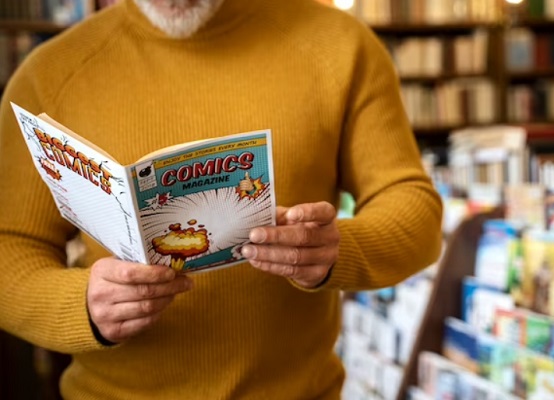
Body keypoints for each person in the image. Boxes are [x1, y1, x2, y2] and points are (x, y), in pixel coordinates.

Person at [0, 0, 443, 398]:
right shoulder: (50, 75)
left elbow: (416, 211)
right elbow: (9, 249)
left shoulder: (339, 47)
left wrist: (337, 249)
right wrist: (83, 306)